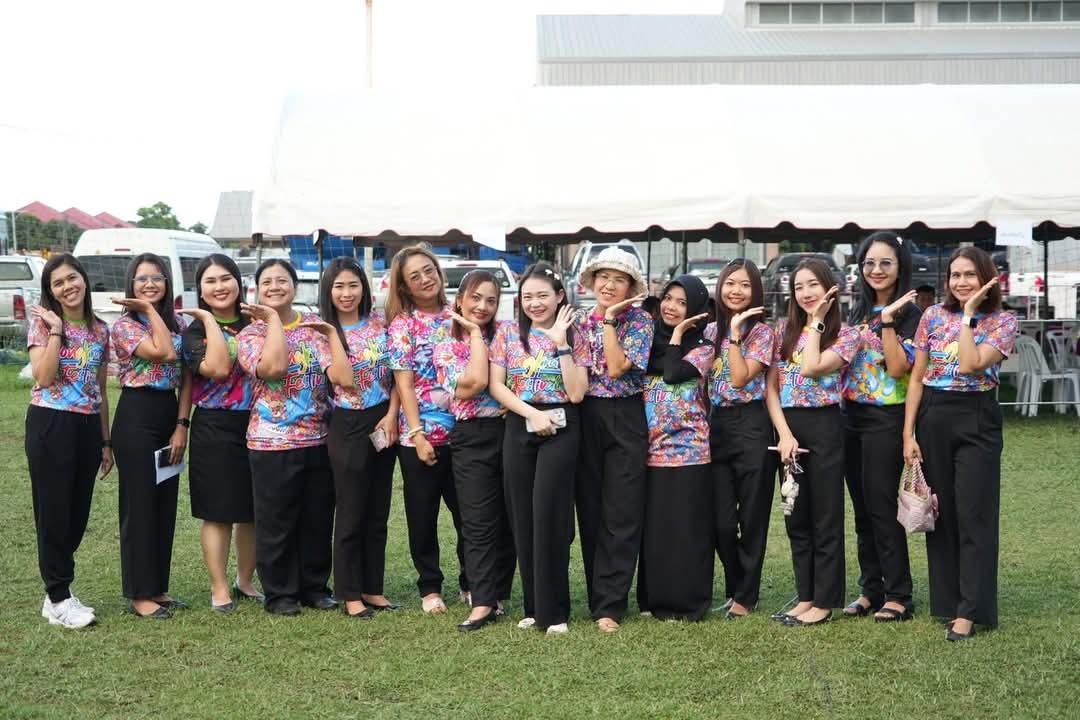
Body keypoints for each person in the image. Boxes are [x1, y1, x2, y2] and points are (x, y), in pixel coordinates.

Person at [904, 247, 1017, 642]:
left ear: (986, 278)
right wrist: (908, 433)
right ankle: (949, 602)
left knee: (973, 513)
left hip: (977, 417)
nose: (961, 282)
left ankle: (970, 610)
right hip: (933, 415)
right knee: (942, 513)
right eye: (955, 275)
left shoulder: (1003, 321)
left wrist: (968, 316)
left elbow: (970, 364)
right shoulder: (932, 316)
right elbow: (917, 376)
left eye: (970, 274)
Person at [237, 259, 351, 616]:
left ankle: (314, 587)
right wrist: (273, 320)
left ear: (295, 286)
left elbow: (341, 377)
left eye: (282, 280)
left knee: (317, 518)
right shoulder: (250, 335)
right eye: (267, 282)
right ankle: (280, 593)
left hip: (318, 438)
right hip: (271, 441)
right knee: (276, 521)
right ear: (257, 290)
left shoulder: (315, 329)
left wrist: (330, 335)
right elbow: (272, 369)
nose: (275, 287)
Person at [489, 263, 589, 635]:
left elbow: (576, 393)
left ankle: (555, 611)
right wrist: (532, 413)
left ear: (559, 296)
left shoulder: (576, 333)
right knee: (523, 517)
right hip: (520, 423)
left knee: (550, 516)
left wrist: (561, 343)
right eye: (528, 296)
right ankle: (534, 607)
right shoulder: (508, 333)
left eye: (543, 295)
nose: (535, 303)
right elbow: (496, 386)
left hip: (562, 427)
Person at [765, 258, 860, 627]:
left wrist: (817, 322)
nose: (805, 293)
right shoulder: (781, 332)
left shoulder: (846, 335)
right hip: (788, 429)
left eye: (813, 285)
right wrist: (785, 434)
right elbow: (771, 390)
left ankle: (824, 601)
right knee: (796, 514)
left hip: (825, 427)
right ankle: (805, 596)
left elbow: (811, 367)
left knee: (825, 517)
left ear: (829, 288)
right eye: (799, 287)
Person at [25, 254, 112, 628]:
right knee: (54, 512)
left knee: (77, 514)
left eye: (71, 278)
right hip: (51, 422)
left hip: (88, 426)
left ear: (84, 279)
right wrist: (58, 330)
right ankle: (59, 597)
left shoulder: (100, 330)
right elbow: (44, 377)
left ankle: (56, 594)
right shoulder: (42, 325)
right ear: (51, 291)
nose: (67, 287)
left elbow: (100, 389)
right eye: (57, 283)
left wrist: (106, 442)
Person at [841, 232, 922, 622]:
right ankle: (871, 589)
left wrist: (887, 321)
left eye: (885, 263)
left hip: (886, 419)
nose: (876, 270)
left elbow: (897, 368)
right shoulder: (857, 310)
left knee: (881, 505)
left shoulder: (912, 315)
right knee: (861, 509)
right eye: (869, 263)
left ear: (900, 266)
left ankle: (899, 594)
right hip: (850, 417)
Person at [574, 246, 653, 633]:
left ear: (631, 288)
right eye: (603, 277)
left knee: (622, 511)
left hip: (625, 414)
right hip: (586, 414)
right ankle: (597, 595)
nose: (608, 285)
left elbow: (619, 367)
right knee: (590, 509)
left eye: (619, 279)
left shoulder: (640, 321)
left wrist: (608, 322)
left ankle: (611, 604)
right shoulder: (576, 321)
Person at [433, 270, 517, 631]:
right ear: (460, 299)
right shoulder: (445, 340)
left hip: (511, 432)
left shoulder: (509, 334)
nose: (483, 306)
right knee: (478, 521)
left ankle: (499, 594)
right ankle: (481, 601)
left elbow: (525, 377)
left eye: (491, 300)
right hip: (470, 435)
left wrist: (514, 403)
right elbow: (472, 385)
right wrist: (475, 335)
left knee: (511, 519)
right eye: (476, 298)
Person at [385, 245, 467, 614]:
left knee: (469, 515)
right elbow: (403, 384)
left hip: (466, 432)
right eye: (414, 276)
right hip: (420, 436)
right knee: (423, 515)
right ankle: (430, 586)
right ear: (404, 287)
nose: (424, 279)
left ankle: (471, 581)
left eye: (428, 270)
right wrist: (417, 435)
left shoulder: (460, 315)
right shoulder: (403, 325)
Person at [320, 257, 401, 619]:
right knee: (351, 511)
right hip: (348, 424)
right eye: (339, 286)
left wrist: (391, 415)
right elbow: (344, 379)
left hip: (383, 418)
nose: (347, 293)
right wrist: (333, 335)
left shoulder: (380, 325)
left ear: (364, 289)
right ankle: (350, 593)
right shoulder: (322, 332)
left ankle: (373, 588)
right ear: (328, 291)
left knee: (377, 509)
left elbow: (398, 376)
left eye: (353, 285)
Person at [110, 253, 191, 619]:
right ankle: (139, 593)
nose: (149, 284)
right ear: (131, 284)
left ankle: (157, 587)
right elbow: (164, 351)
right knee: (139, 504)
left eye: (157, 277)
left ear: (167, 283)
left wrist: (182, 425)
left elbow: (187, 376)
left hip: (168, 413)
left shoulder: (181, 323)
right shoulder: (125, 326)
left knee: (164, 503)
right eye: (141, 278)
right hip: (136, 414)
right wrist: (147, 309)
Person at [180, 254, 261, 613]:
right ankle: (219, 587)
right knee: (217, 511)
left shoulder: (256, 322)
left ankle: (245, 580)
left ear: (238, 282)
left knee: (252, 509)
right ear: (200, 289)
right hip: (214, 425)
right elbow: (217, 368)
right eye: (210, 281)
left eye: (225, 278)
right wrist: (210, 321)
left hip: (258, 423)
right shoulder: (193, 332)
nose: (219, 287)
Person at [637, 275, 715, 622]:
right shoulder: (646, 343)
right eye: (668, 298)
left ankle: (690, 603)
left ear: (696, 310)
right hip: (650, 452)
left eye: (682, 303)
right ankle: (653, 600)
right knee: (656, 531)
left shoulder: (703, 348)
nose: (671, 307)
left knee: (687, 532)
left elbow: (671, 372)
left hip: (690, 451)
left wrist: (679, 334)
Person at [704, 259, 776, 619]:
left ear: (756, 292)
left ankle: (746, 596)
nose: (736, 291)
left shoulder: (762, 334)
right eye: (730, 283)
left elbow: (739, 377)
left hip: (752, 425)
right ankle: (736, 585)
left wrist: (734, 335)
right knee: (719, 520)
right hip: (716, 425)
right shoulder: (707, 331)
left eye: (745, 285)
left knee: (751, 517)